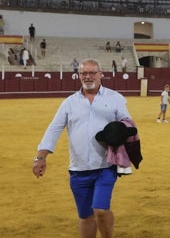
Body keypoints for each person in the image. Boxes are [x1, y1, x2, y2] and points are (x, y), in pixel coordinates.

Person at [33, 58, 134, 238]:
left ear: (100, 74)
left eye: (92, 73)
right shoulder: (69, 102)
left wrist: (121, 130)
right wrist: (41, 157)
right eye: (84, 73)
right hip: (78, 169)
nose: (88, 76)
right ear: (78, 75)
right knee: (86, 215)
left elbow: (128, 124)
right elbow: (54, 128)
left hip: (106, 166)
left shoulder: (115, 98)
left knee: (100, 210)